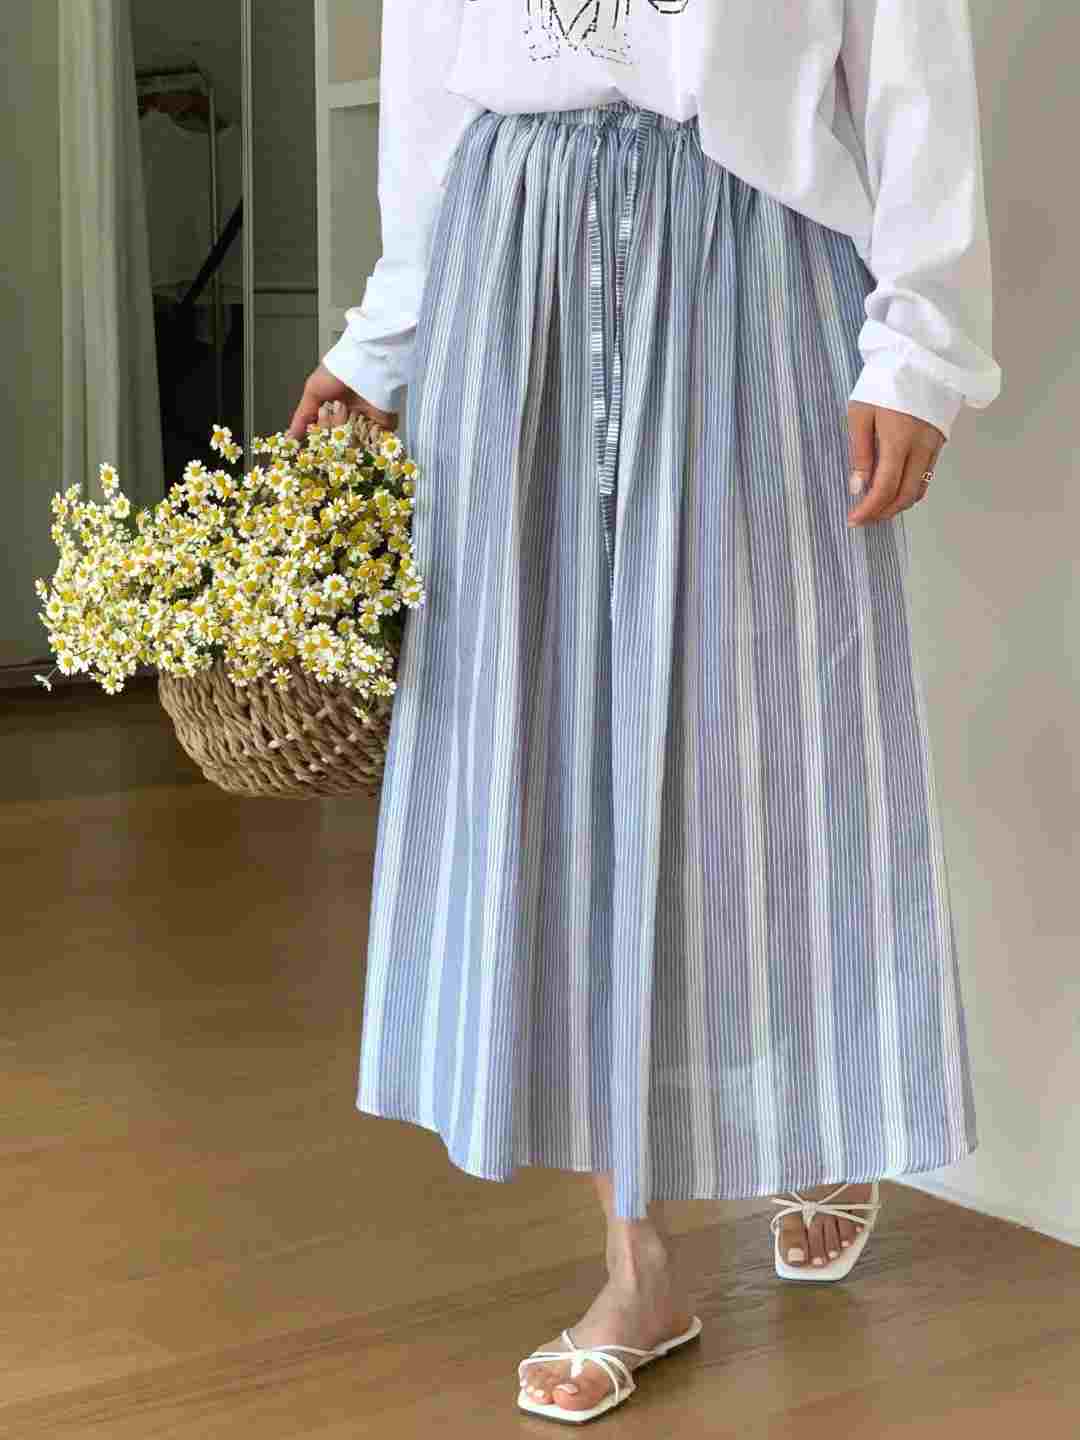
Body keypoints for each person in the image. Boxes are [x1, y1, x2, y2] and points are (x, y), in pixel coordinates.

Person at [289, 0, 1001, 1422]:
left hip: (753, 245)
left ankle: (819, 1107)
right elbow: (430, 79)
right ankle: (640, 1263)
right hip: (513, 251)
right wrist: (384, 341)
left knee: (781, 721)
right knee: (556, 744)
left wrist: (917, 346)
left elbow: (912, 62)